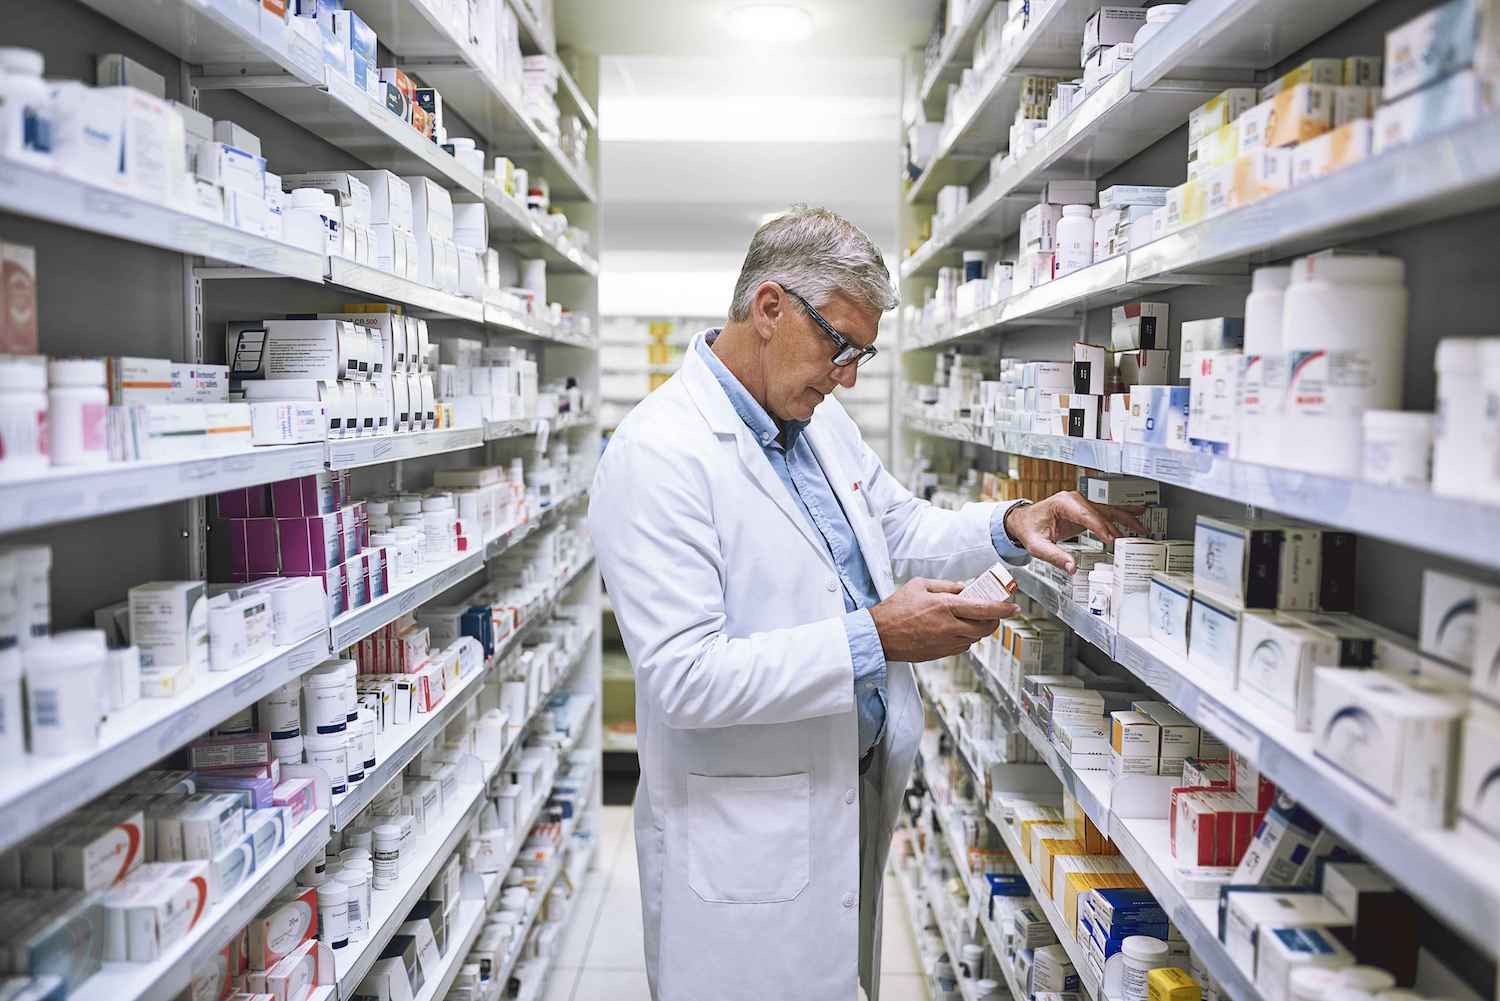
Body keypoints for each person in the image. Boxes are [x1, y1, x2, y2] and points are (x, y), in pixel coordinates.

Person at [588, 207, 1143, 1001]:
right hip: (743, 837)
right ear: (770, 308)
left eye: (862, 354)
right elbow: (685, 677)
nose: (846, 373)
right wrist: (874, 638)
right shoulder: (658, 456)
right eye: (838, 345)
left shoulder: (816, 421)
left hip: (847, 794)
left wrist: (1010, 525)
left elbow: (899, 524)